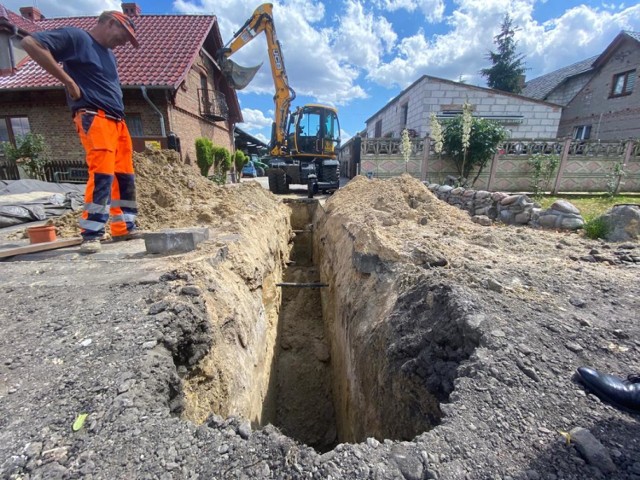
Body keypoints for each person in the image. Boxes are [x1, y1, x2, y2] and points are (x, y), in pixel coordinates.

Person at [21, 11, 141, 253]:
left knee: (124, 176)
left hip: (117, 120)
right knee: (102, 174)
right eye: (124, 35)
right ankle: (92, 233)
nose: (124, 42)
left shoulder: (109, 55)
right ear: (110, 23)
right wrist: (67, 80)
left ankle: (124, 227)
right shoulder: (78, 38)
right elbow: (30, 43)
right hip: (95, 117)